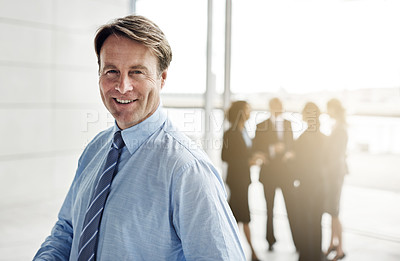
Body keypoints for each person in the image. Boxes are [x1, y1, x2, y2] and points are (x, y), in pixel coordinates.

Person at [33, 15, 246, 260]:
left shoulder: (187, 170)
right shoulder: (95, 149)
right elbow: (67, 231)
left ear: (162, 78)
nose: (122, 86)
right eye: (111, 71)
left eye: (137, 72)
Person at [252, 97, 298, 251]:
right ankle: (270, 240)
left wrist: (288, 152)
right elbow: (256, 148)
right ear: (271, 107)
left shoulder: (288, 124)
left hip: (286, 174)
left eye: (282, 106)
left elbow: (292, 146)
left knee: (291, 208)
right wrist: (272, 149)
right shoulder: (261, 125)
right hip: (269, 174)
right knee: (269, 208)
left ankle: (297, 241)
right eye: (277, 106)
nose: (280, 109)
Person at [222, 101, 262, 261]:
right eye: (247, 110)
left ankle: (232, 249)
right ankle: (252, 252)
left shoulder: (244, 130)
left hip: (244, 179)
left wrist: (254, 157)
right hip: (236, 180)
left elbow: (246, 152)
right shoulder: (230, 133)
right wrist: (248, 161)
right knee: (243, 215)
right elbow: (225, 156)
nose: (250, 113)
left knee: (236, 215)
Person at [291, 102, 326, 261]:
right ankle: (317, 255)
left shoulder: (304, 137)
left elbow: (300, 163)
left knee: (305, 222)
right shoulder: (323, 137)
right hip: (320, 185)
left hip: (306, 186)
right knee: (317, 222)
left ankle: (306, 256)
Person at [324, 98, 348, 261]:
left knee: (334, 211)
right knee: (332, 211)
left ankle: (339, 249)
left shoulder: (339, 128)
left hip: (335, 174)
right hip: (337, 172)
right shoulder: (339, 126)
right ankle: (332, 244)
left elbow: (335, 153)